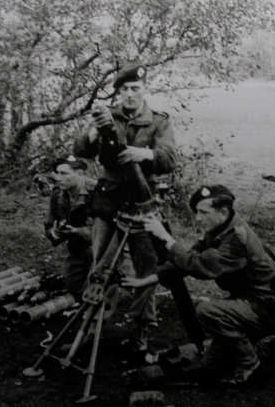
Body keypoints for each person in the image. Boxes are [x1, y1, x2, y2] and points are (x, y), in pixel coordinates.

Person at [122, 185, 275, 385]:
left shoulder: (236, 238)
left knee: (208, 311)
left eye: (203, 212)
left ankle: (250, 364)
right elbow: (183, 263)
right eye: (197, 212)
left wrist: (165, 238)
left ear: (223, 212)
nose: (198, 218)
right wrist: (144, 281)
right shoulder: (219, 229)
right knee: (210, 364)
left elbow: (201, 266)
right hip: (247, 303)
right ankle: (253, 344)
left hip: (266, 308)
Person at [73, 63, 176, 352]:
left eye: (135, 89)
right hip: (108, 201)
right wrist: (94, 133)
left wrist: (143, 152)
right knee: (102, 265)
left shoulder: (158, 121)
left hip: (143, 203)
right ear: (118, 91)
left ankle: (140, 328)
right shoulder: (107, 117)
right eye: (124, 89)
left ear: (144, 90)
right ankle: (95, 319)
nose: (129, 95)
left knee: (147, 268)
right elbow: (80, 150)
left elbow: (169, 158)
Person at [44, 155, 96, 299]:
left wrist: (74, 230)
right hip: (76, 249)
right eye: (57, 173)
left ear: (79, 174)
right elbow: (49, 224)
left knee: (98, 286)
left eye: (64, 173)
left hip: (99, 249)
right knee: (72, 287)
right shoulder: (57, 194)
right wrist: (54, 233)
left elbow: (102, 234)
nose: (58, 178)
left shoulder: (96, 192)